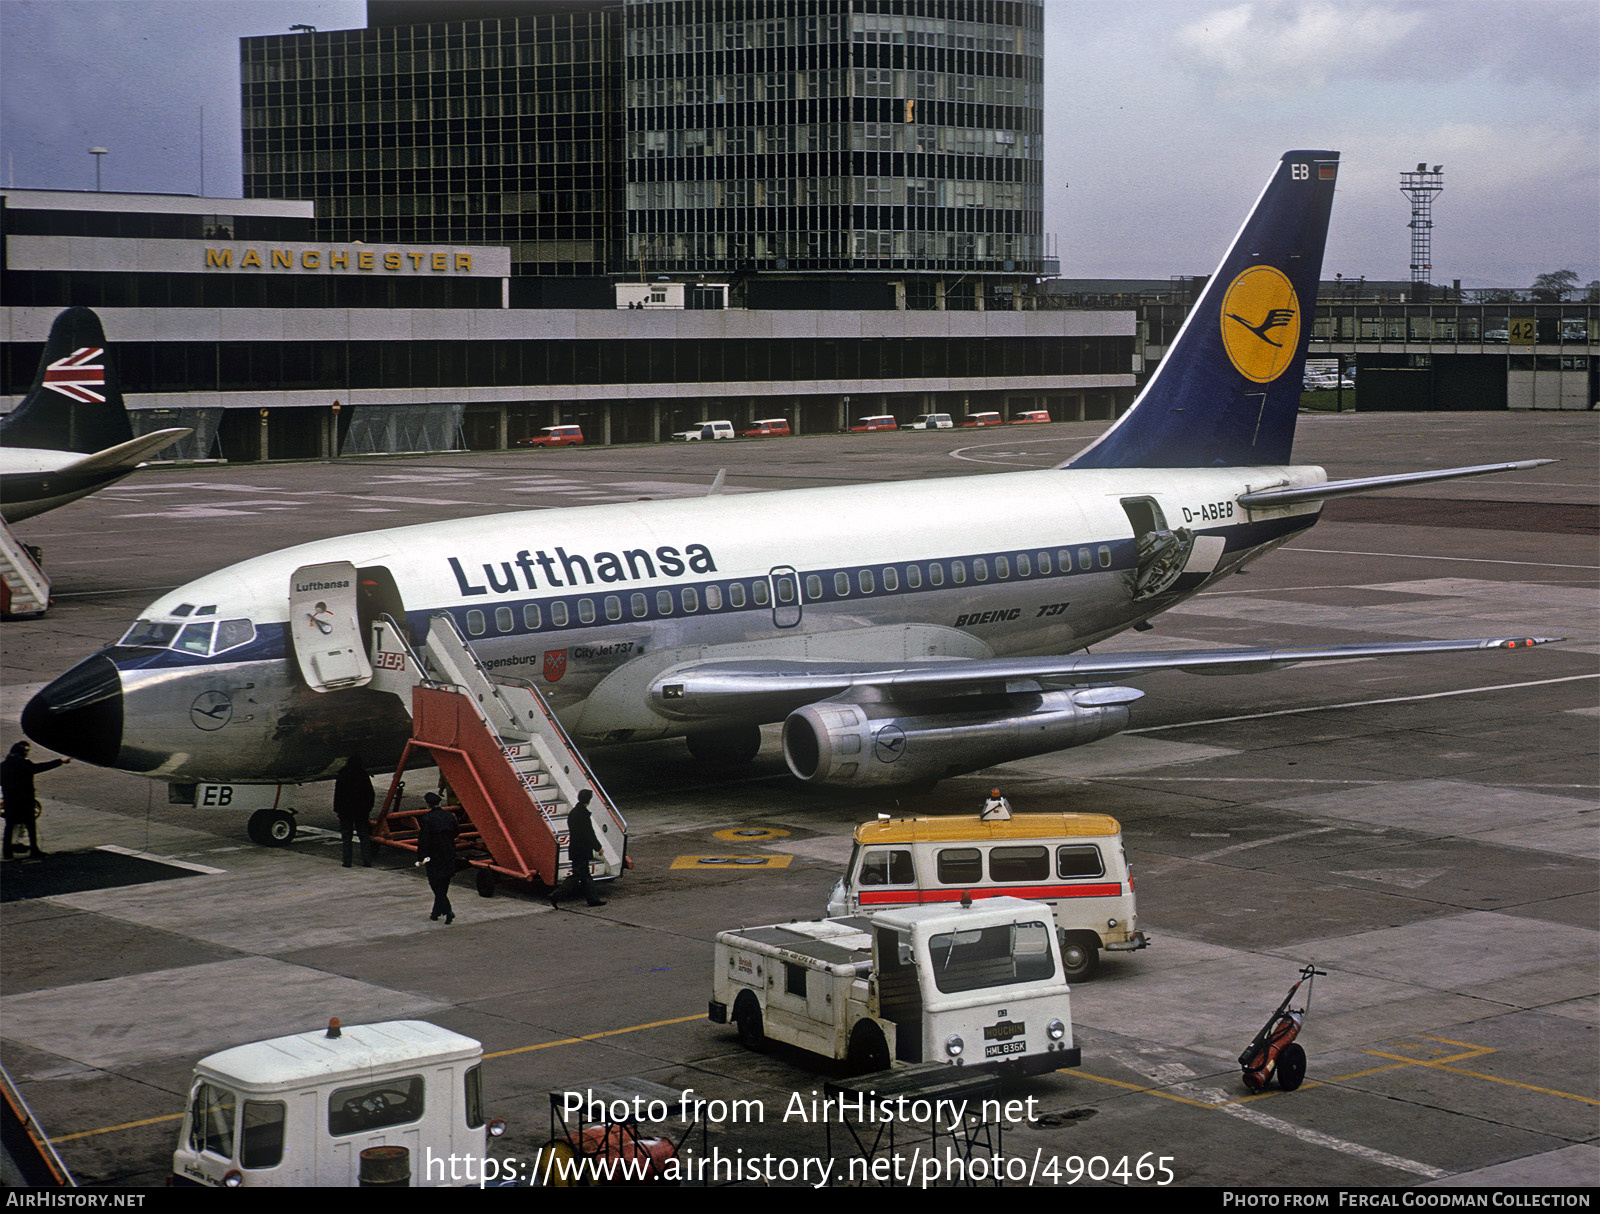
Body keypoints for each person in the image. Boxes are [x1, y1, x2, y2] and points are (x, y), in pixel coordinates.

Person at [2, 741, 68, 860]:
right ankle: (34, 850)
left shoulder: (3, 765)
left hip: (10, 801)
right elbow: (40, 767)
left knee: (9, 827)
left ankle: (7, 853)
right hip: (25, 800)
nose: (27, 753)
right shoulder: (24, 764)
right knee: (31, 826)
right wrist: (60, 761)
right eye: (26, 750)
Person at [550, 789, 605, 908]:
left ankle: (593, 899)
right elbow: (589, 833)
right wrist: (598, 847)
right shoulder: (583, 815)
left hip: (575, 848)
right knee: (577, 876)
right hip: (582, 850)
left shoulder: (574, 812)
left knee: (585, 876)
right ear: (589, 800)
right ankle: (556, 895)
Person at [416, 792, 459, 923]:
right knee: (444, 884)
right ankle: (435, 913)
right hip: (448, 852)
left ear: (428, 804)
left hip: (434, 855)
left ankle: (447, 910)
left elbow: (424, 840)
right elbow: (456, 832)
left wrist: (421, 857)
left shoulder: (427, 819)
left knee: (435, 884)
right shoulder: (449, 816)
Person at [333, 754, 375, 868]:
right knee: (364, 836)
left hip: (346, 811)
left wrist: (337, 809)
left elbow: (338, 794)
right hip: (361, 811)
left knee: (346, 837)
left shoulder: (342, 775)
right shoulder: (363, 775)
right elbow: (370, 794)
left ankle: (347, 862)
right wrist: (368, 808)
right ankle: (367, 861)